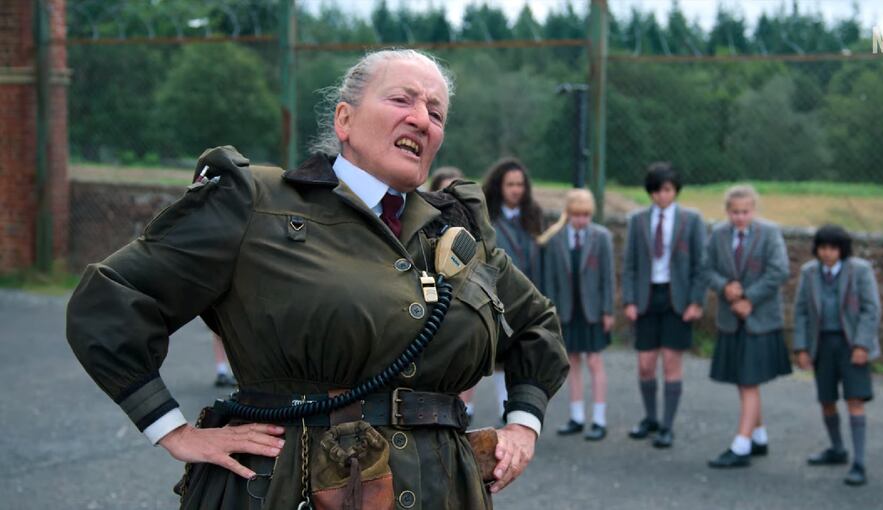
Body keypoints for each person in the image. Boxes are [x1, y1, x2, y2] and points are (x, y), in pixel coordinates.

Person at [66, 49, 568, 509]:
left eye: (436, 113)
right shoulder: (255, 203)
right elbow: (112, 299)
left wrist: (523, 425)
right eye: (402, 99)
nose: (422, 118)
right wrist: (173, 430)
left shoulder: (459, 230)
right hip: (287, 488)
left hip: (444, 490)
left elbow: (537, 326)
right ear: (344, 119)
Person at [704, 184, 792, 468]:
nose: (740, 217)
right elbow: (706, 268)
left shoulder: (770, 233)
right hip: (731, 320)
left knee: (748, 380)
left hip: (759, 320)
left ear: (753, 210)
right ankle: (759, 436)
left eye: (745, 212)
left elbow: (779, 270)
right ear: (727, 211)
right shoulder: (718, 234)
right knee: (744, 379)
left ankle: (741, 445)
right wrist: (725, 287)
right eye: (734, 212)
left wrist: (749, 299)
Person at [621, 162, 706, 448]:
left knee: (671, 363)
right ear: (650, 193)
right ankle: (651, 418)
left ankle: (667, 426)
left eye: (667, 190)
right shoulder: (637, 220)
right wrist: (629, 299)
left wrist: (696, 300)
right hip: (647, 298)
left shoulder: (691, 220)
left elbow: (700, 264)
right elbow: (630, 264)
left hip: (676, 299)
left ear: (676, 191)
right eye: (656, 190)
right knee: (645, 364)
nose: (662, 196)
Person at [792, 225, 880, 486]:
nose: (827, 253)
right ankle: (837, 448)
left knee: (855, 399)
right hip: (823, 344)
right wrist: (802, 348)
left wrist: (862, 345)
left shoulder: (859, 270)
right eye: (822, 248)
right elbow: (801, 312)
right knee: (826, 399)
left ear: (842, 250)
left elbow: (870, 309)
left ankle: (859, 462)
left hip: (850, 344)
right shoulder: (809, 273)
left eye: (833, 248)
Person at [462, 158, 544, 425]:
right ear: (500, 186)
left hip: (523, 299)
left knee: (511, 359)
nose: (516, 189)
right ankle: (464, 408)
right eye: (510, 184)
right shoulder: (487, 218)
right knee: (476, 354)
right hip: (492, 294)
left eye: (520, 184)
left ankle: (505, 410)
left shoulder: (533, 217)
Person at [539, 189, 615, 441]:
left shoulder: (601, 237)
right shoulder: (556, 239)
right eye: (577, 215)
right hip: (567, 311)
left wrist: (608, 311)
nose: (582, 220)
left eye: (586, 215)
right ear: (568, 213)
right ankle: (577, 416)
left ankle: (600, 418)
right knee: (572, 363)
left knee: (594, 361)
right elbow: (549, 280)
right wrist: (551, 313)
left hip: (592, 310)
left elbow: (607, 276)